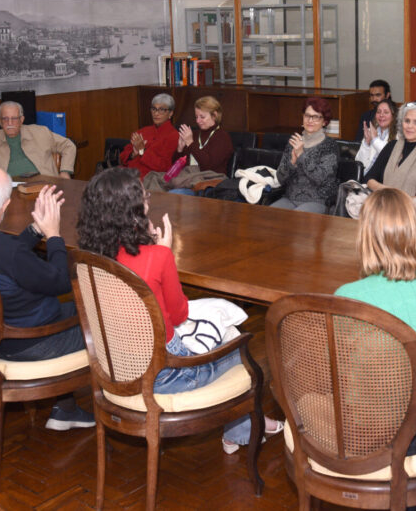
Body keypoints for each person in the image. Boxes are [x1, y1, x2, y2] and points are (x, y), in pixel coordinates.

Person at [76, 167, 282, 453]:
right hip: (168, 377)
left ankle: (242, 429)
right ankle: (242, 430)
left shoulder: (89, 259)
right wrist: (163, 251)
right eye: (143, 196)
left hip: (115, 369)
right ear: (133, 210)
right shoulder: (157, 257)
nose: (147, 200)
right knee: (239, 347)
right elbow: (179, 316)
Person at [0, 165, 93, 430]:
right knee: (105, 319)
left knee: (74, 310)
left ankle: (66, 408)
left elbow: (3, 257)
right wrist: (53, 234)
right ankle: (128, 407)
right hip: (27, 343)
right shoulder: (8, 253)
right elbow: (59, 281)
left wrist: (35, 230)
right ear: (5, 204)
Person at [335, 188, 416, 454]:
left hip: (377, 432)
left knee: (305, 397)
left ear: (366, 236)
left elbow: (339, 364)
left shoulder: (348, 297)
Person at [144, 95, 233, 194]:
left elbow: (208, 166)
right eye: (196, 117)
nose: (198, 121)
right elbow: (175, 166)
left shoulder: (222, 137)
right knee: (151, 180)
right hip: (187, 178)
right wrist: (180, 149)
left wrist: (190, 143)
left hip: (206, 182)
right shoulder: (194, 134)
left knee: (175, 194)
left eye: (202, 117)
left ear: (214, 115)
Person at [271, 98, 339, 213]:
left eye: (316, 117)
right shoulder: (294, 142)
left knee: (296, 221)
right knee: (267, 216)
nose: (310, 120)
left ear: (324, 122)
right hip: (290, 198)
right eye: (307, 115)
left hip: (317, 200)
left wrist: (302, 155)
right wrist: (292, 163)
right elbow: (280, 178)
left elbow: (322, 179)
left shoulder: (330, 145)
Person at [363, 102, 416, 197]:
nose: (410, 126)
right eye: (407, 121)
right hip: (382, 204)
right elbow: (369, 178)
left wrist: (400, 201)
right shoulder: (391, 146)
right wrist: (387, 191)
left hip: (411, 209)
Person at [0, 101, 77, 179]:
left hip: (45, 186)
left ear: (21, 120)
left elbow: (68, 145)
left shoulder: (40, 132)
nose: (10, 123)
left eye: (14, 118)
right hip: (8, 192)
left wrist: (65, 172)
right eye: (5, 119)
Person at [119, 93, 179, 178]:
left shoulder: (174, 136)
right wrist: (133, 153)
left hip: (149, 179)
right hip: (127, 173)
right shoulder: (142, 131)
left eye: (161, 110)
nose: (156, 113)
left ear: (170, 113)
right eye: (154, 109)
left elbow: (165, 167)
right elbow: (122, 157)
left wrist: (143, 151)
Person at [354, 99, 398, 171]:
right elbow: (359, 162)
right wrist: (366, 144)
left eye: (386, 112)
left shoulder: (399, 135)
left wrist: (375, 140)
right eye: (378, 112)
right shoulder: (370, 131)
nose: (381, 115)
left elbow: (389, 156)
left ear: (393, 116)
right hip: (365, 177)